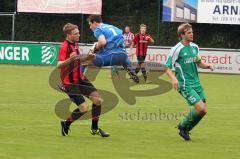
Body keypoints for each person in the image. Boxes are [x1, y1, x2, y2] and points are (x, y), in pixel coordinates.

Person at [57, 23, 109, 137]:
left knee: (98, 100)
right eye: (76, 34)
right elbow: (59, 65)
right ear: (68, 35)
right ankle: (66, 123)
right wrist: (70, 59)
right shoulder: (64, 46)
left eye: (78, 32)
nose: (78, 35)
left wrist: (89, 58)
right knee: (84, 108)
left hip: (80, 78)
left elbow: (78, 61)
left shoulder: (75, 44)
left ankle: (94, 129)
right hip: (69, 82)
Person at [164, 23, 213, 141]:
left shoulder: (195, 47)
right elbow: (166, 67)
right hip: (185, 84)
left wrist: (207, 66)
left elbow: (198, 62)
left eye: (192, 32)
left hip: (196, 83)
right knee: (200, 108)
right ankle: (183, 127)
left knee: (203, 110)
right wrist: (174, 79)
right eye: (189, 33)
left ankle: (184, 128)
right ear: (182, 35)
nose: (192, 34)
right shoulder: (176, 49)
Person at [87, 15, 139, 83]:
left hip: (111, 56)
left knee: (86, 59)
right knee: (123, 57)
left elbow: (102, 42)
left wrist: (95, 47)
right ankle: (132, 72)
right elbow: (121, 39)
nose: (90, 27)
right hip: (123, 56)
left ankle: (79, 80)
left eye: (90, 25)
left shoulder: (98, 29)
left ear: (95, 22)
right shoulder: (112, 26)